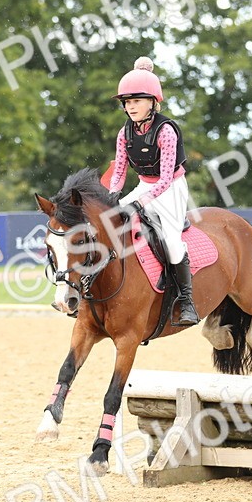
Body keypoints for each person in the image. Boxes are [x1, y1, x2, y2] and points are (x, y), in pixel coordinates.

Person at [106, 56, 199, 327]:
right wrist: (114, 195)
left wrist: (140, 202)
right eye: (127, 102)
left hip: (171, 188)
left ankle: (186, 300)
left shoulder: (166, 131)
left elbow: (166, 178)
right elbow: (120, 170)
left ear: (153, 102)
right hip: (145, 184)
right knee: (111, 221)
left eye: (137, 101)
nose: (130, 106)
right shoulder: (124, 133)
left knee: (170, 241)